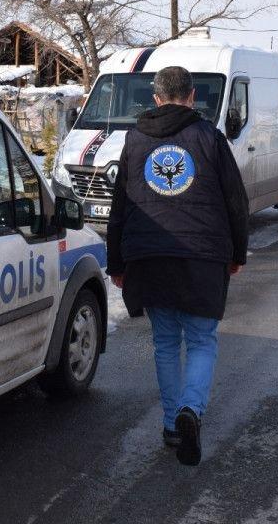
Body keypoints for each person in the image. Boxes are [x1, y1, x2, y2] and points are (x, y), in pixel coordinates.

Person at [106, 66, 249, 466]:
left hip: (148, 258)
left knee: (166, 344)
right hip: (202, 256)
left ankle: (172, 425)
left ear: (155, 98)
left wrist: (116, 261)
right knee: (202, 341)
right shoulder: (210, 138)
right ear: (191, 97)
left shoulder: (134, 140)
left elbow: (121, 206)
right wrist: (237, 253)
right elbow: (235, 201)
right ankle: (191, 410)